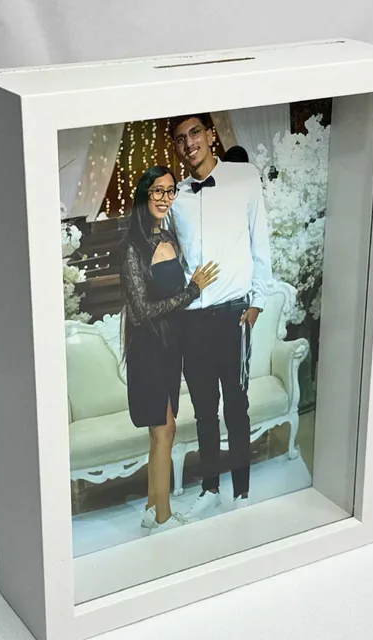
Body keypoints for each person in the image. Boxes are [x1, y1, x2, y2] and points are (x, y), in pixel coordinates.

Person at [165, 113, 272, 520]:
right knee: (204, 412)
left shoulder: (245, 178)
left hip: (233, 316)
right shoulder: (176, 197)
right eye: (180, 138)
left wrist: (257, 303)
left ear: (211, 135)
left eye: (195, 133)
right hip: (192, 321)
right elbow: (167, 256)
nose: (188, 143)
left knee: (236, 409)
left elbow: (260, 244)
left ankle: (241, 493)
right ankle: (210, 489)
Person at [118, 165, 220, 534]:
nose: (165, 197)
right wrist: (192, 291)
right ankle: (163, 516)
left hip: (170, 347)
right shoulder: (133, 248)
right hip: (148, 349)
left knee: (161, 431)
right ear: (145, 194)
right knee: (165, 430)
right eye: (157, 190)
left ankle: (151, 508)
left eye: (170, 190)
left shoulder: (170, 237)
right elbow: (142, 311)